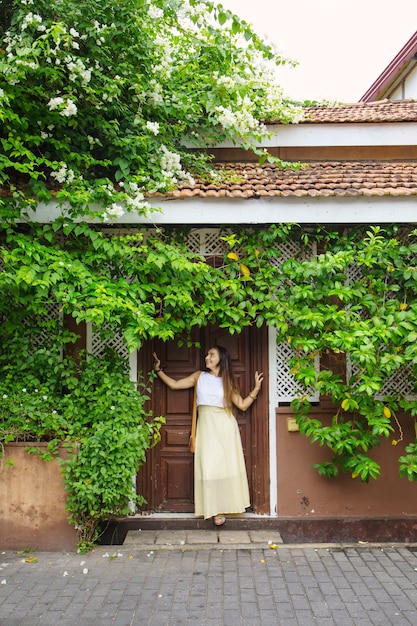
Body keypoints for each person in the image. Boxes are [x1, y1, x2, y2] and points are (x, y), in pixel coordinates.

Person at [152, 345, 263, 526]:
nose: (207, 357)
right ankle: (211, 508)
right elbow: (174, 384)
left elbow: (242, 405)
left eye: (212, 355)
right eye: (207, 355)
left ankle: (220, 510)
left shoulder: (227, 382)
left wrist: (256, 389)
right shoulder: (199, 376)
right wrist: (158, 370)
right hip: (206, 426)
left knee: (224, 468)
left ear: (221, 359)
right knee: (208, 467)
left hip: (226, 426)